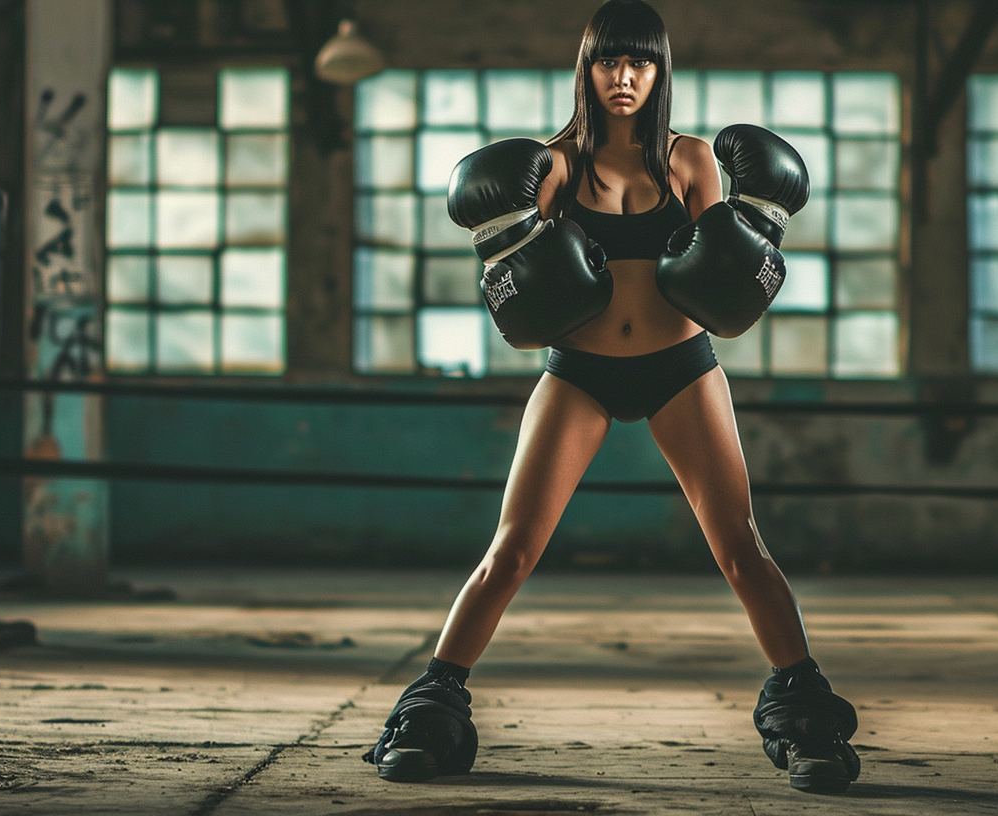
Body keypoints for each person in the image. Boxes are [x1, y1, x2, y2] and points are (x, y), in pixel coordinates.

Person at [365, 0, 861, 795]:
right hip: (580, 371)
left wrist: (757, 228)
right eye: (608, 62)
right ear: (586, 69)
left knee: (740, 545)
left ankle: (806, 723)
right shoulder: (554, 167)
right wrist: (501, 243)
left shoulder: (692, 161)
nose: (623, 78)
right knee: (512, 548)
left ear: (660, 70)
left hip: (681, 366)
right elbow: (518, 308)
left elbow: (727, 298)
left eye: (639, 63)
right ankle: (430, 708)